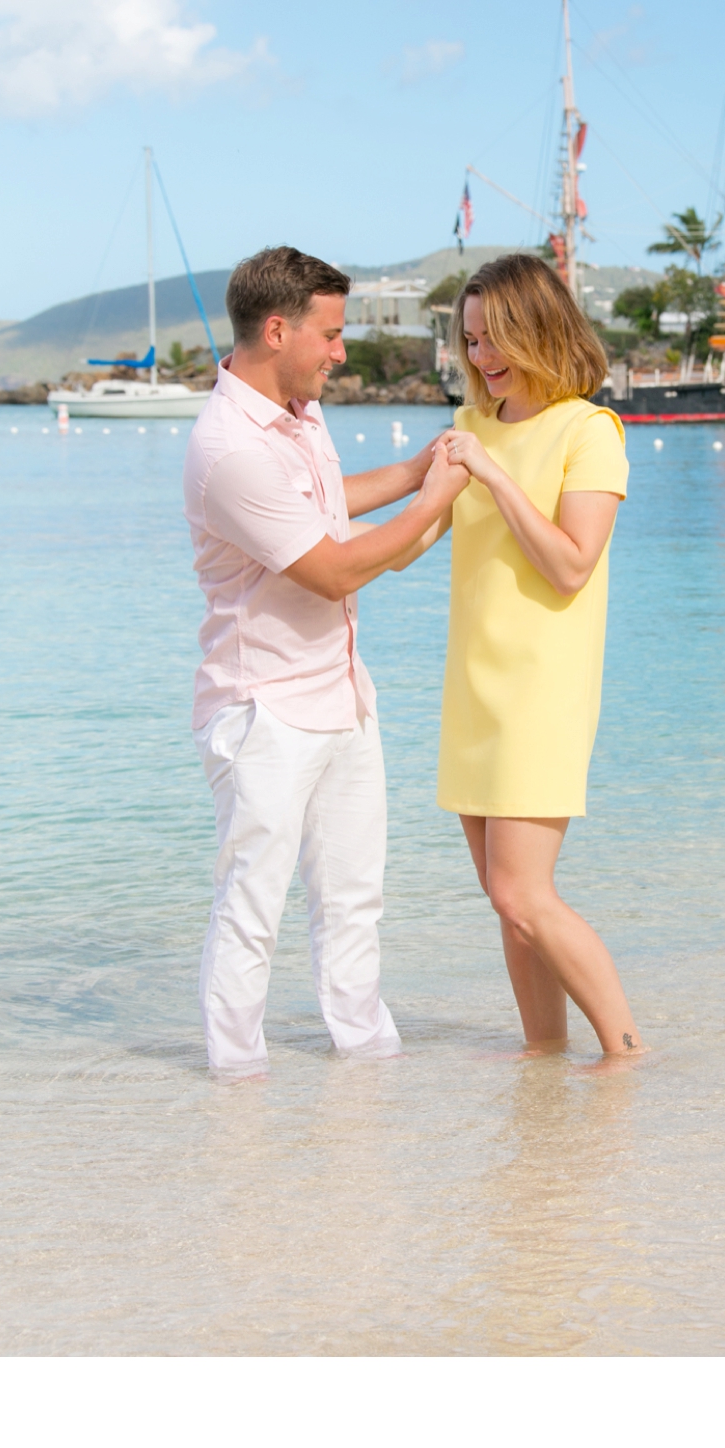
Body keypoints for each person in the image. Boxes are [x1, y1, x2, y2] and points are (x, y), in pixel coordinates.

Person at [184, 245, 469, 1076]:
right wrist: (438, 498)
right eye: (332, 334)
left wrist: (418, 469)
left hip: (341, 690)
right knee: (253, 906)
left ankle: (369, 1066)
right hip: (263, 707)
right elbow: (334, 567)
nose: (342, 351)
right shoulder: (230, 448)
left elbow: (330, 506)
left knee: (354, 898)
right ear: (278, 330)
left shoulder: (300, 413)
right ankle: (235, 1089)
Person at [397, 252, 642, 1059]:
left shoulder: (589, 431)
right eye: (469, 341)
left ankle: (627, 1052)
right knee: (502, 898)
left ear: (538, 330)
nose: (480, 358)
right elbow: (411, 545)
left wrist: (494, 479)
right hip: (473, 689)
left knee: (521, 889)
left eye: (494, 338)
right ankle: (543, 1056)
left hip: (542, 691)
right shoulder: (469, 431)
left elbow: (572, 565)